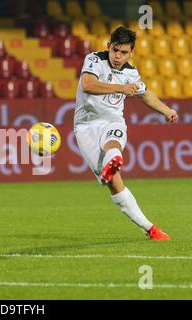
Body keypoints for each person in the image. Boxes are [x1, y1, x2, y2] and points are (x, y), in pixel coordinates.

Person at [74, 26, 178, 240]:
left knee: (113, 142)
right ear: (108, 46)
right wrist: (119, 89)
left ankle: (152, 230)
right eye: (115, 50)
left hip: (113, 120)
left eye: (123, 52)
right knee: (112, 182)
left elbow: (145, 95)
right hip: (86, 126)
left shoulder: (131, 73)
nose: (117, 56)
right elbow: (88, 85)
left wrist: (166, 111)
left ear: (132, 53)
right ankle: (147, 226)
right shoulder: (94, 60)